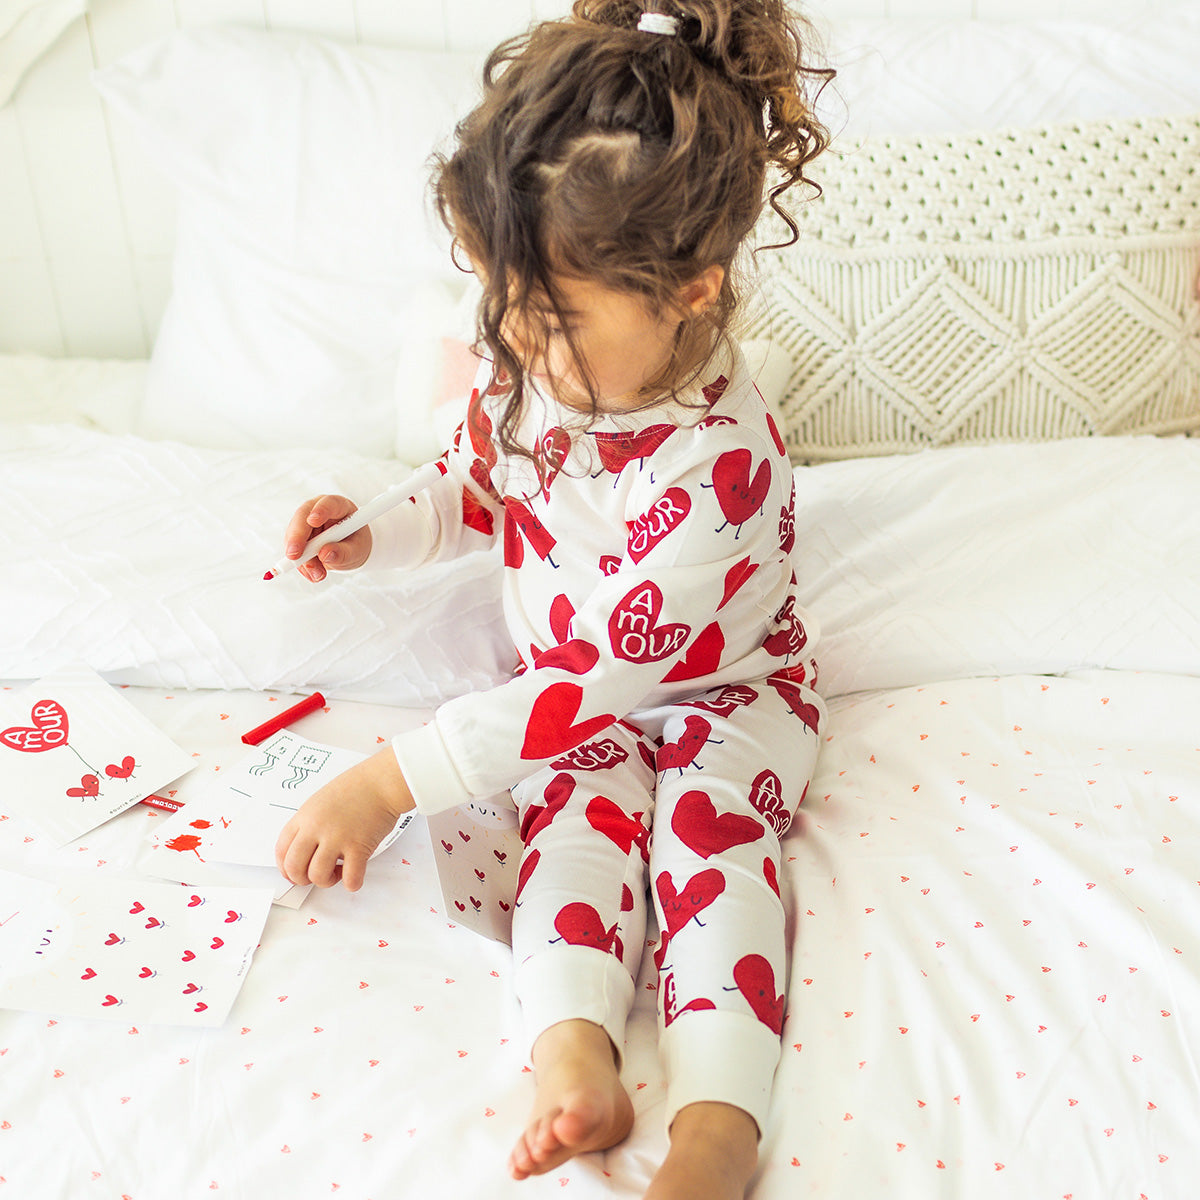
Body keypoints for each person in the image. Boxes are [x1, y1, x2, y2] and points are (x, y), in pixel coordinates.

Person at [274, 3, 832, 1196]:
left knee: (710, 847)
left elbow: (593, 682)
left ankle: (718, 1120)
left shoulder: (720, 463)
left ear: (691, 291)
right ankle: (576, 1063)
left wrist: (389, 783)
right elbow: (475, 487)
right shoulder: (532, 369)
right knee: (569, 841)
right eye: (504, 306)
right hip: (572, 710)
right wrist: (373, 532)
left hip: (723, 699)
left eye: (552, 319)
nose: (517, 343)